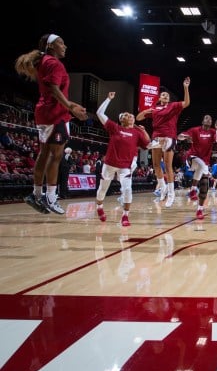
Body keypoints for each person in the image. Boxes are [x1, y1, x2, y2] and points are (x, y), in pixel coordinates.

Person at [15, 33, 88, 214]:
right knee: (56, 156)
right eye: (61, 43)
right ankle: (51, 197)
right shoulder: (54, 63)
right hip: (55, 114)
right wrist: (70, 106)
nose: (65, 46)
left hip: (44, 113)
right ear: (51, 47)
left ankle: (36, 194)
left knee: (45, 154)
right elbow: (53, 89)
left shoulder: (44, 62)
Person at [95, 92, 149, 226]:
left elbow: (147, 144)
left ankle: (125, 216)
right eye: (125, 115)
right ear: (121, 120)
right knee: (103, 188)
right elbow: (99, 113)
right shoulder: (115, 128)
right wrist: (108, 98)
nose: (129, 116)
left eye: (130, 115)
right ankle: (99, 207)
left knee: (127, 189)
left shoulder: (136, 133)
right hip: (110, 164)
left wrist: (147, 133)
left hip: (125, 166)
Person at [136, 77, 190, 208]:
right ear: (159, 98)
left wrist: (185, 87)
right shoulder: (154, 109)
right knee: (155, 165)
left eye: (167, 95)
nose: (165, 96)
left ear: (169, 98)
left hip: (169, 137)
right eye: (163, 95)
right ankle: (163, 187)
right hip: (156, 137)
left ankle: (171, 195)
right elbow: (138, 118)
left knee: (167, 165)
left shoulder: (173, 106)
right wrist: (144, 111)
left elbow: (186, 103)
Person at [177, 114, 217, 220]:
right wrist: (184, 137)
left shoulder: (213, 132)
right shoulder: (195, 130)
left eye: (210, 119)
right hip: (192, 158)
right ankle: (194, 189)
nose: (208, 120)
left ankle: (199, 209)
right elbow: (180, 136)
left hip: (204, 162)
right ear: (202, 121)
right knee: (202, 165)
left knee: (205, 186)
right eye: (206, 118)